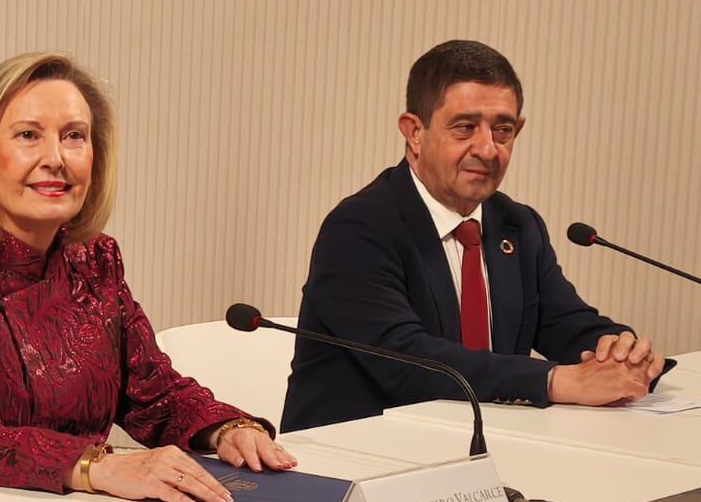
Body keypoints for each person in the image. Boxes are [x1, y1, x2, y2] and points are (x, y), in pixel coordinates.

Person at [0, 52, 294, 502]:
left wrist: (227, 428)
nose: (55, 159)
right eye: (29, 136)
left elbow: (152, 392)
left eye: (74, 137)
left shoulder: (95, 259)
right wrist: (99, 467)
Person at [282, 39, 666, 432]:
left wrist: (619, 350)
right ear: (415, 132)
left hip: (483, 455)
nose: (488, 148)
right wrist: (556, 380)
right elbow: (407, 361)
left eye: (503, 130)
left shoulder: (517, 224)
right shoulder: (360, 227)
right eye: (465, 128)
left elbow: (564, 323)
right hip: (358, 462)